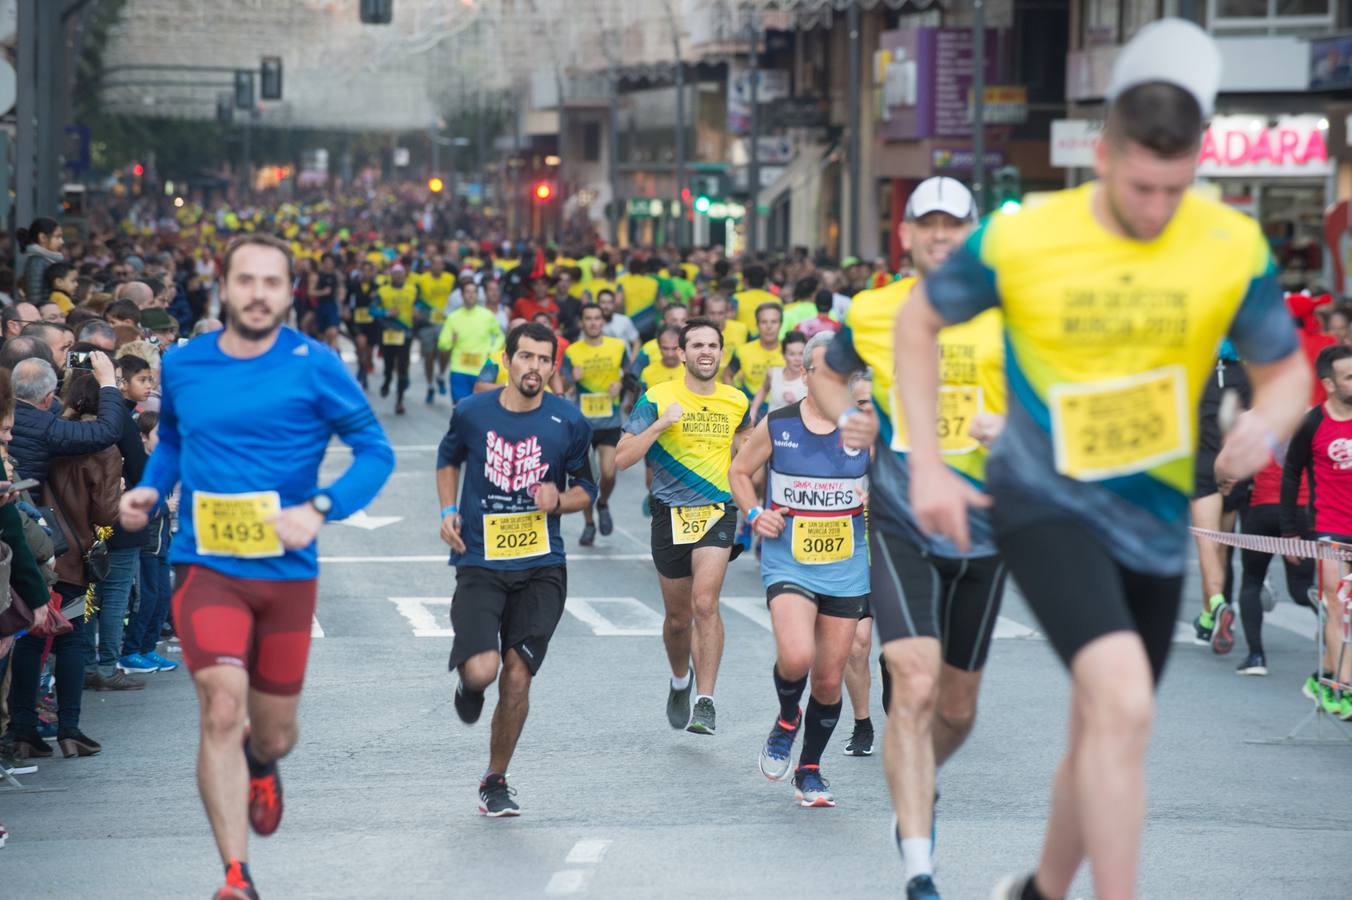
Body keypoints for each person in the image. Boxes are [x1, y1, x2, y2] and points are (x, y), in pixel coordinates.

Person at [892, 22, 1309, 900]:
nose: (1155, 208)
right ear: (1106, 153)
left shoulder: (1229, 246)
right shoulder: (1025, 238)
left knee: (1105, 727)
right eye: (1139, 186)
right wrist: (928, 463)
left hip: (1153, 520)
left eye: (1174, 187)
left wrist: (1264, 428)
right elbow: (917, 321)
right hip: (1044, 497)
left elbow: (1287, 373)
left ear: (1198, 161)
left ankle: (1042, 890)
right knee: (1123, 699)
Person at [118, 234, 394, 900]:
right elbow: (177, 440)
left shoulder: (315, 364)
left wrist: (322, 506)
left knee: (273, 730)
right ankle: (236, 875)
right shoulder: (184, 365)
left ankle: (263, 761)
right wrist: (153, 486)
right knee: (219, 705)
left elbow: (375, 452)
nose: (259, 293)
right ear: (224, 283)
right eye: (247, 280)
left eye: (273, 282)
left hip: (287, 577)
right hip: (206, 565)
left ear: (289, 291)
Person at [813, 175, 1006, 900]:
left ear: (971, 232)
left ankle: (918, 784)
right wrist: (852, 423)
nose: (938, 235)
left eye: (951, 225)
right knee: (914, 685)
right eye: (925, 223)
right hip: (899, 519)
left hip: (987, 529)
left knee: (955, 711)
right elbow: (827, 376)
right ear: (905, 234)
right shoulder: (874, 310)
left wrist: (1009, 429)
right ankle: (918, 861)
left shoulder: (1008, 314)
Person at [438, 322, 598, 817]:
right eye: (525, 357)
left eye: (543, 360)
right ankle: (469, 685)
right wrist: (447, 512)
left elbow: (586, 488)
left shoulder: (569, 421)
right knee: (484, 670)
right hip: (481, 561)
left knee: (518, 676)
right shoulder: (471, 412)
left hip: (541, 565)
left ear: (554, 367)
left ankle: (495, 777)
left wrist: (560, 500)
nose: (534, 367)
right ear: (506, 360)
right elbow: (448, 461)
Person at [730, 331, 870, 809]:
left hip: (846, 566)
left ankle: (809, 770)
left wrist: (880, 495)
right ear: (806, 375)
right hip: (789, 559)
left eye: (842, 373)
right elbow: (738, 473)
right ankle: (788, 716)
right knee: (795, 657)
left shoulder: (865, 429)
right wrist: (753, 514)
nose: (834, 381)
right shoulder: (780, 423)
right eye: (824, 371)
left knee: (830, 679)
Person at [617, 318, 750, 735]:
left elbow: (746, 448)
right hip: (669, 514)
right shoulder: (657, 398)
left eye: (712, 344)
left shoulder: (737, 401)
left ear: (721, 352)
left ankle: (705, 701)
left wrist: (750, 494)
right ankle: (680, 681)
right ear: (682, 351)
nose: (705, 351)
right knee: (677, 619)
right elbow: (622, 458)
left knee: (705, 603)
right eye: (696, 345)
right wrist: (659, 426)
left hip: (716, 511)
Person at [0, 367, 89, 759]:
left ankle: (22, 729)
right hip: (65, 554)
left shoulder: (38, 435)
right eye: (5, 430)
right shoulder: (74, 437)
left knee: (28, 645)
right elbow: (17, 528)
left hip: (44, 553)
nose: (9, 438)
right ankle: (68, 727)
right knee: (70, 637)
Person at [1281, 344, 1352, 718]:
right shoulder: (1313, 423)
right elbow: (1291, 472)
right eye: (1349, 377)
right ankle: (1343, 689)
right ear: (1328, 383)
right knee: (1337, 604)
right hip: (1330, 530)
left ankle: (1323, 677)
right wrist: (1290, 530)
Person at [1189, 341, 1251, 653]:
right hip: (1234, 463)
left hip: (1201, 463)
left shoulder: (1193, 370)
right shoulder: (1245, 373)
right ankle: (1207, 616)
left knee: (1207, 543)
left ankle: (1215, 604)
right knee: (1222, 546)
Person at [561, 303, 630, 546]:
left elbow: (629, 374)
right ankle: (589, 523)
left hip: (609, 422)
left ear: (603, 322)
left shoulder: (618, 347)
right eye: (588, 318)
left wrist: (621, 385)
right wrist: (572, 379)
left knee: (609, 473)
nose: (592, 323)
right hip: (583, 425)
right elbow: (563, 383)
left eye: (597, 318)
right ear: (581, 322)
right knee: (586, 480)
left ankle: (603, 503)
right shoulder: (572, 351)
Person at [437, 279, 503, 404]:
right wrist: (451, 340)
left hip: (482, 371)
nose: (471, 294)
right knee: (459, 407)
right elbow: (442, 344)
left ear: (478, 295)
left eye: (474, 292)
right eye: (467, 292)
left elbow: (500, 336)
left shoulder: (487, 315)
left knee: (479, 409)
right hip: (459, 369)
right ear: (462, 295)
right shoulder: (453, 317)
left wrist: (492, 352)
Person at [375, 264, 418, 415]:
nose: (398, 276)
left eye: (401, 273)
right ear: (391, 275)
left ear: (404, 275)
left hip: (405, 332)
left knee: (402, 365)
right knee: (388, 364)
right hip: (388, 332)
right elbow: (371, 309)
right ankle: (387, 381)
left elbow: (418, 304)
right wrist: (386, 312)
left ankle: (400, 401)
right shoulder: (382, 291)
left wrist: (417, 311)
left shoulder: (412, 289)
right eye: (395, 274)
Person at [417, 255, 456, 402]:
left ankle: (440, 375)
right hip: (427, 322)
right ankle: (430, 385)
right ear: (431, 266)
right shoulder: (422, 279)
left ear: (443, 267)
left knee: (445, 350)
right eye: (435, 264)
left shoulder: (450, 279)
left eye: (441, 264)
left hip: (445, 321)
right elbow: (417, 299)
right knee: (429, 355)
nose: (438, 267)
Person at [750, 330, 808, 425]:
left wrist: (795, 403)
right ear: (783, 355)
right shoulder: (773, 373)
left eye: (801, 354)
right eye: (792, 354)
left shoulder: (811, 379)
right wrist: (753, 410)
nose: (797, 359)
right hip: (771, 428)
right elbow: (764, 389)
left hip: (797, 431)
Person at [346, 260, 381, 389]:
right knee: (361, 345)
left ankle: (364, 369)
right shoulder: (353, 285)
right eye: (363, 270)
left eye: (369, 270)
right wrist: (345, 311)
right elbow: (346, 301)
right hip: (357, 321)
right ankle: (362, 369)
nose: (366, 273)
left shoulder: (377, 287)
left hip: (372, 322)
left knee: (369, 351)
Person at [18, 217, 64, 308]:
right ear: (42, 237)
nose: (62, 242)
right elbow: (34, 298)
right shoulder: (37, 262)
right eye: (57, 237)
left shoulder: (45, 260)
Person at [312, 253, 341, 350]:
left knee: (333, 332)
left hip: (332, 305)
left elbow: (340, 288)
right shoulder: (317, 276)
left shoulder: (336, 275)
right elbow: (310, 292)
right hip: (320, 306)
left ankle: (333, 353)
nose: (328, 264)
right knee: (321, 335)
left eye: (331, 262)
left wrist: (341, 294)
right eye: (326, 262)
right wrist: (322, 292)